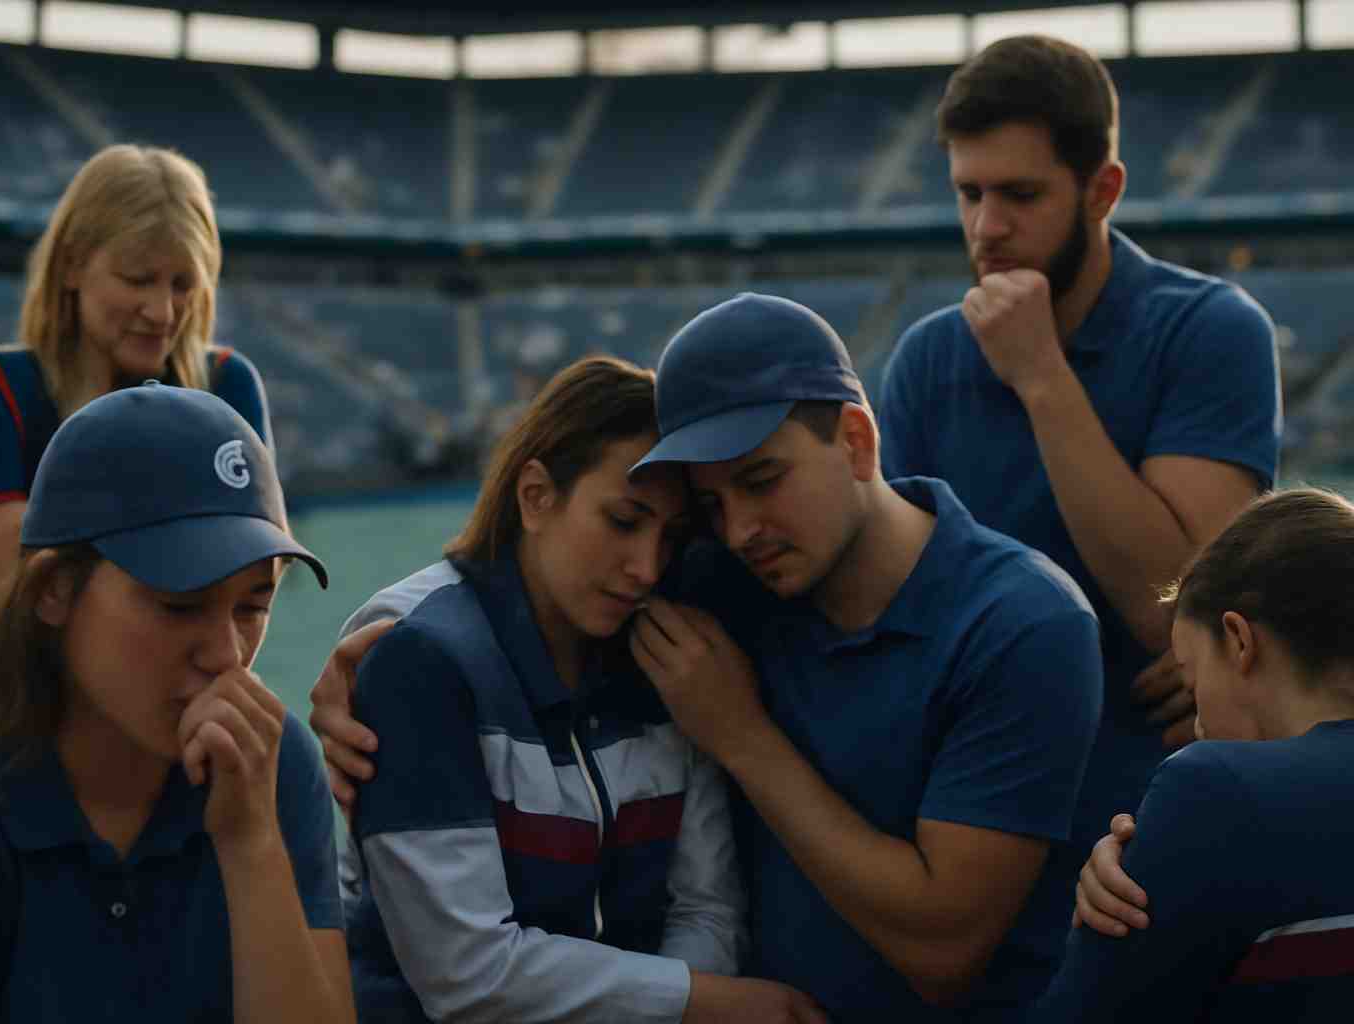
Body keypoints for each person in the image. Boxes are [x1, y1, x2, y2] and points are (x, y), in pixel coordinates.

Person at [319, 295, 1104, 1020]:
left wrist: (742, 735)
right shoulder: (718, 578)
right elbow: (517, 584)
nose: (738, 530)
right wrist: (379, 641)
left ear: (857, 441)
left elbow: (944, 951)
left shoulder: (1024, 625)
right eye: (712, 505)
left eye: (762, 481)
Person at [877, 34, 1283, 882]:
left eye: (1020, 195)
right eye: (969, 193)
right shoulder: (926, 360)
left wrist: (1039, 374)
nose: (987, 228)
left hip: (1151, 827)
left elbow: (1172, 609)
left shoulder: (1209, 330)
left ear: (1103, 191)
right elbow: (904, 621)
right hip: (968, 816)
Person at [0, 383, 353, 1023]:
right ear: (53, 591)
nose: (228, 655)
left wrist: (251, 844)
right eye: (179, 604)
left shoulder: (270, 767)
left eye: (252, 607)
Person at [342, 355, 823, 1023]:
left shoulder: (671, 655)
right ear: (535, 494)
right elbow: (468, 974)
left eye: (673, 537)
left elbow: (705, 908)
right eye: (624, 521)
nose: (647, 566)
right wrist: (707, 1004)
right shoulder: (426, 658)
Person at [0, 143, 272, 647]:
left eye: (183, 284)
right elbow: (28, 601)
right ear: (70, 266)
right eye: (137, 279)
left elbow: (253, 588)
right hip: (20, 717)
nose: (163, 312)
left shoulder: (228, 384)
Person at [1034, 488, 1354, 1020]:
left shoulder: (1218, 792)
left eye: (1192, 681)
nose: (1199, 727)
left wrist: (1127, 896)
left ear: (1238, 640)